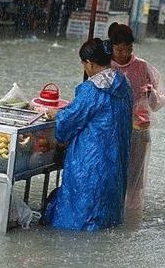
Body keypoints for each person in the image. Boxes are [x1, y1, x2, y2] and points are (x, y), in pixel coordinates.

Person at [42, 38, 133, 231]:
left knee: (82, 212)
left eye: (84, 64)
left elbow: (68, 122)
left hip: (91, 160)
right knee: (106, 208)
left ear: (89, 63)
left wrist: (57, 114)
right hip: (115, 160)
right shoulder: (124, 85)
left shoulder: (91, 89)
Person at [108, 23, 165, 210]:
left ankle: (131, 215)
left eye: (129, 49)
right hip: (111, 130)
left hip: (139, 130)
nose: (124, 54)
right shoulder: (105, 67)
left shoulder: (143, 68)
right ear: (112, 47)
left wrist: (151, 95)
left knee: (135, 179)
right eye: (119, 49)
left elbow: (158, 104)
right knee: (112, 172)